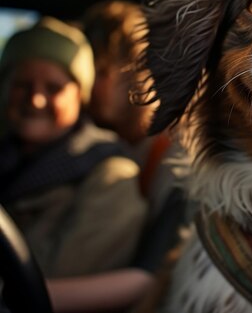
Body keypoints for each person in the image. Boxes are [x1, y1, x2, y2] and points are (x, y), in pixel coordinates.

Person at [45, 0, 191, 313]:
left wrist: (20, 292)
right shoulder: (92, 146)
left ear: (135, 71)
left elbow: (147, 277)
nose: (83, 89)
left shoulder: (180, 158)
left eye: (98, 73)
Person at [0, 17, 147, 279]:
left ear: (80, 96)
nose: (35, 100)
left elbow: (49, 285)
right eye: (23, 84)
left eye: (54, 88)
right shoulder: (8, 153)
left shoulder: (110, 177)